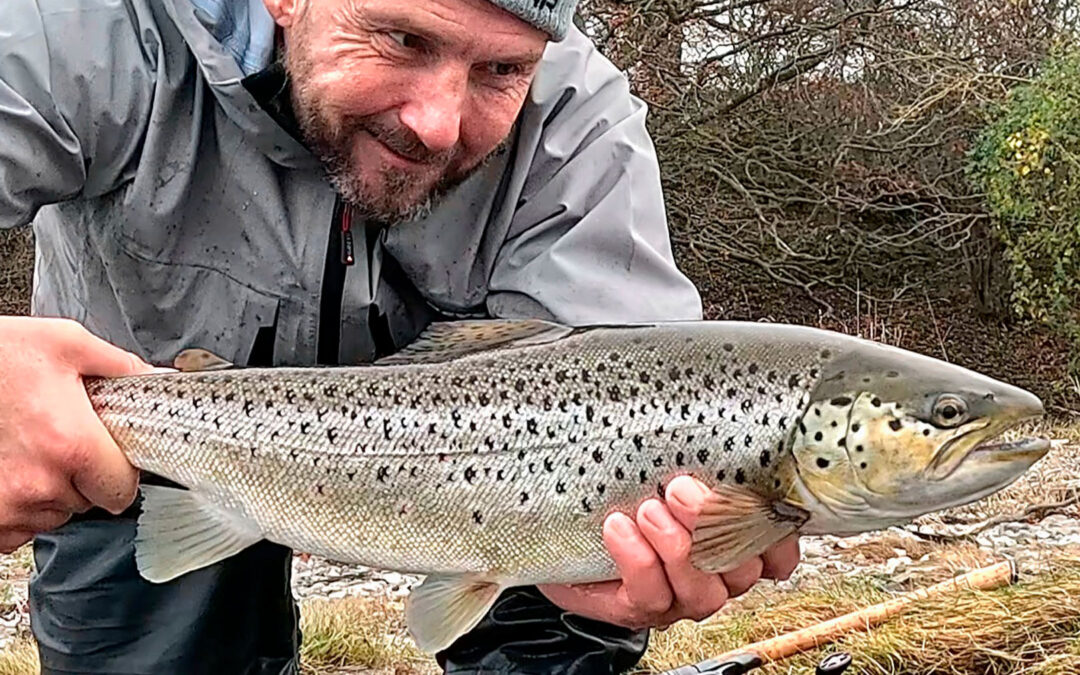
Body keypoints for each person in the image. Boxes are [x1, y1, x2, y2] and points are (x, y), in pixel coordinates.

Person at [0, 0, 801, 672]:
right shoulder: (87, 29)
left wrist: (614, 567)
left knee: (571, 618)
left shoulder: (579, 122)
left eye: (501, 69)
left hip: (488, 469)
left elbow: (636, 387)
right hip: (127, 445)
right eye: (403, 39)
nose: (438, 124)